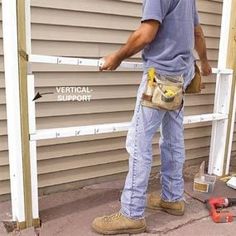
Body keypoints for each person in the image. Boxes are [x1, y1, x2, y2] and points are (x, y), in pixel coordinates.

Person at [92, 0, 212, 234]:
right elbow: (197, 31)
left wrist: (117, 57)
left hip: (160, 77)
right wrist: (205, 63)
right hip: (180, 75)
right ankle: (173, 198)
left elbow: (146, 34)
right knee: (172, 139)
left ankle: (131, 213)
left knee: (138, 143)